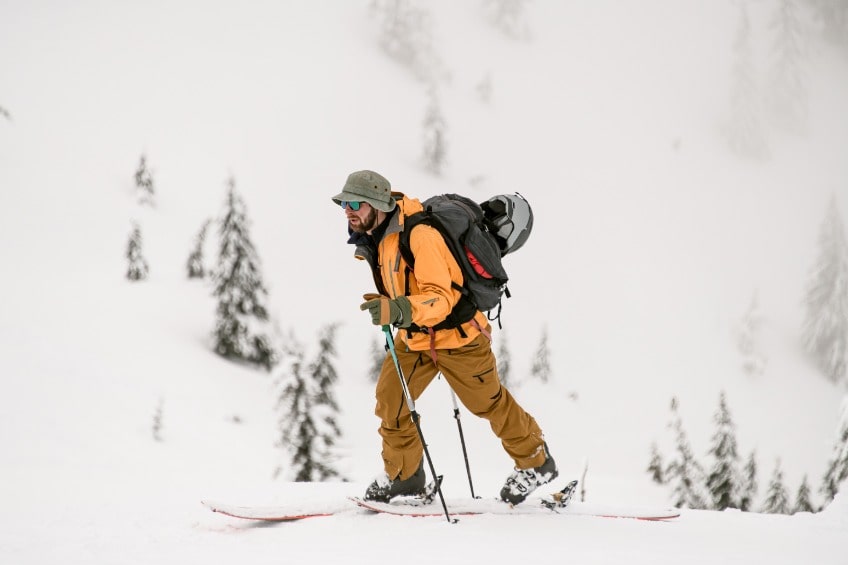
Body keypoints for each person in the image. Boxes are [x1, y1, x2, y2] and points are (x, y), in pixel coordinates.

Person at [332, 169, 557, 504]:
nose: (348, 210)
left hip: (460, 338)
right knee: (391, 400)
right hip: (416, 339)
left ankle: (536, 463)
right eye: (344, 204)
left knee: (489, 404)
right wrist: (394, 306)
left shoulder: (420, 235)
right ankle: (405, 477)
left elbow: (442, 297)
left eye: (355, 203)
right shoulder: (380, 236)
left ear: (378, 204)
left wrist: (398, 311)